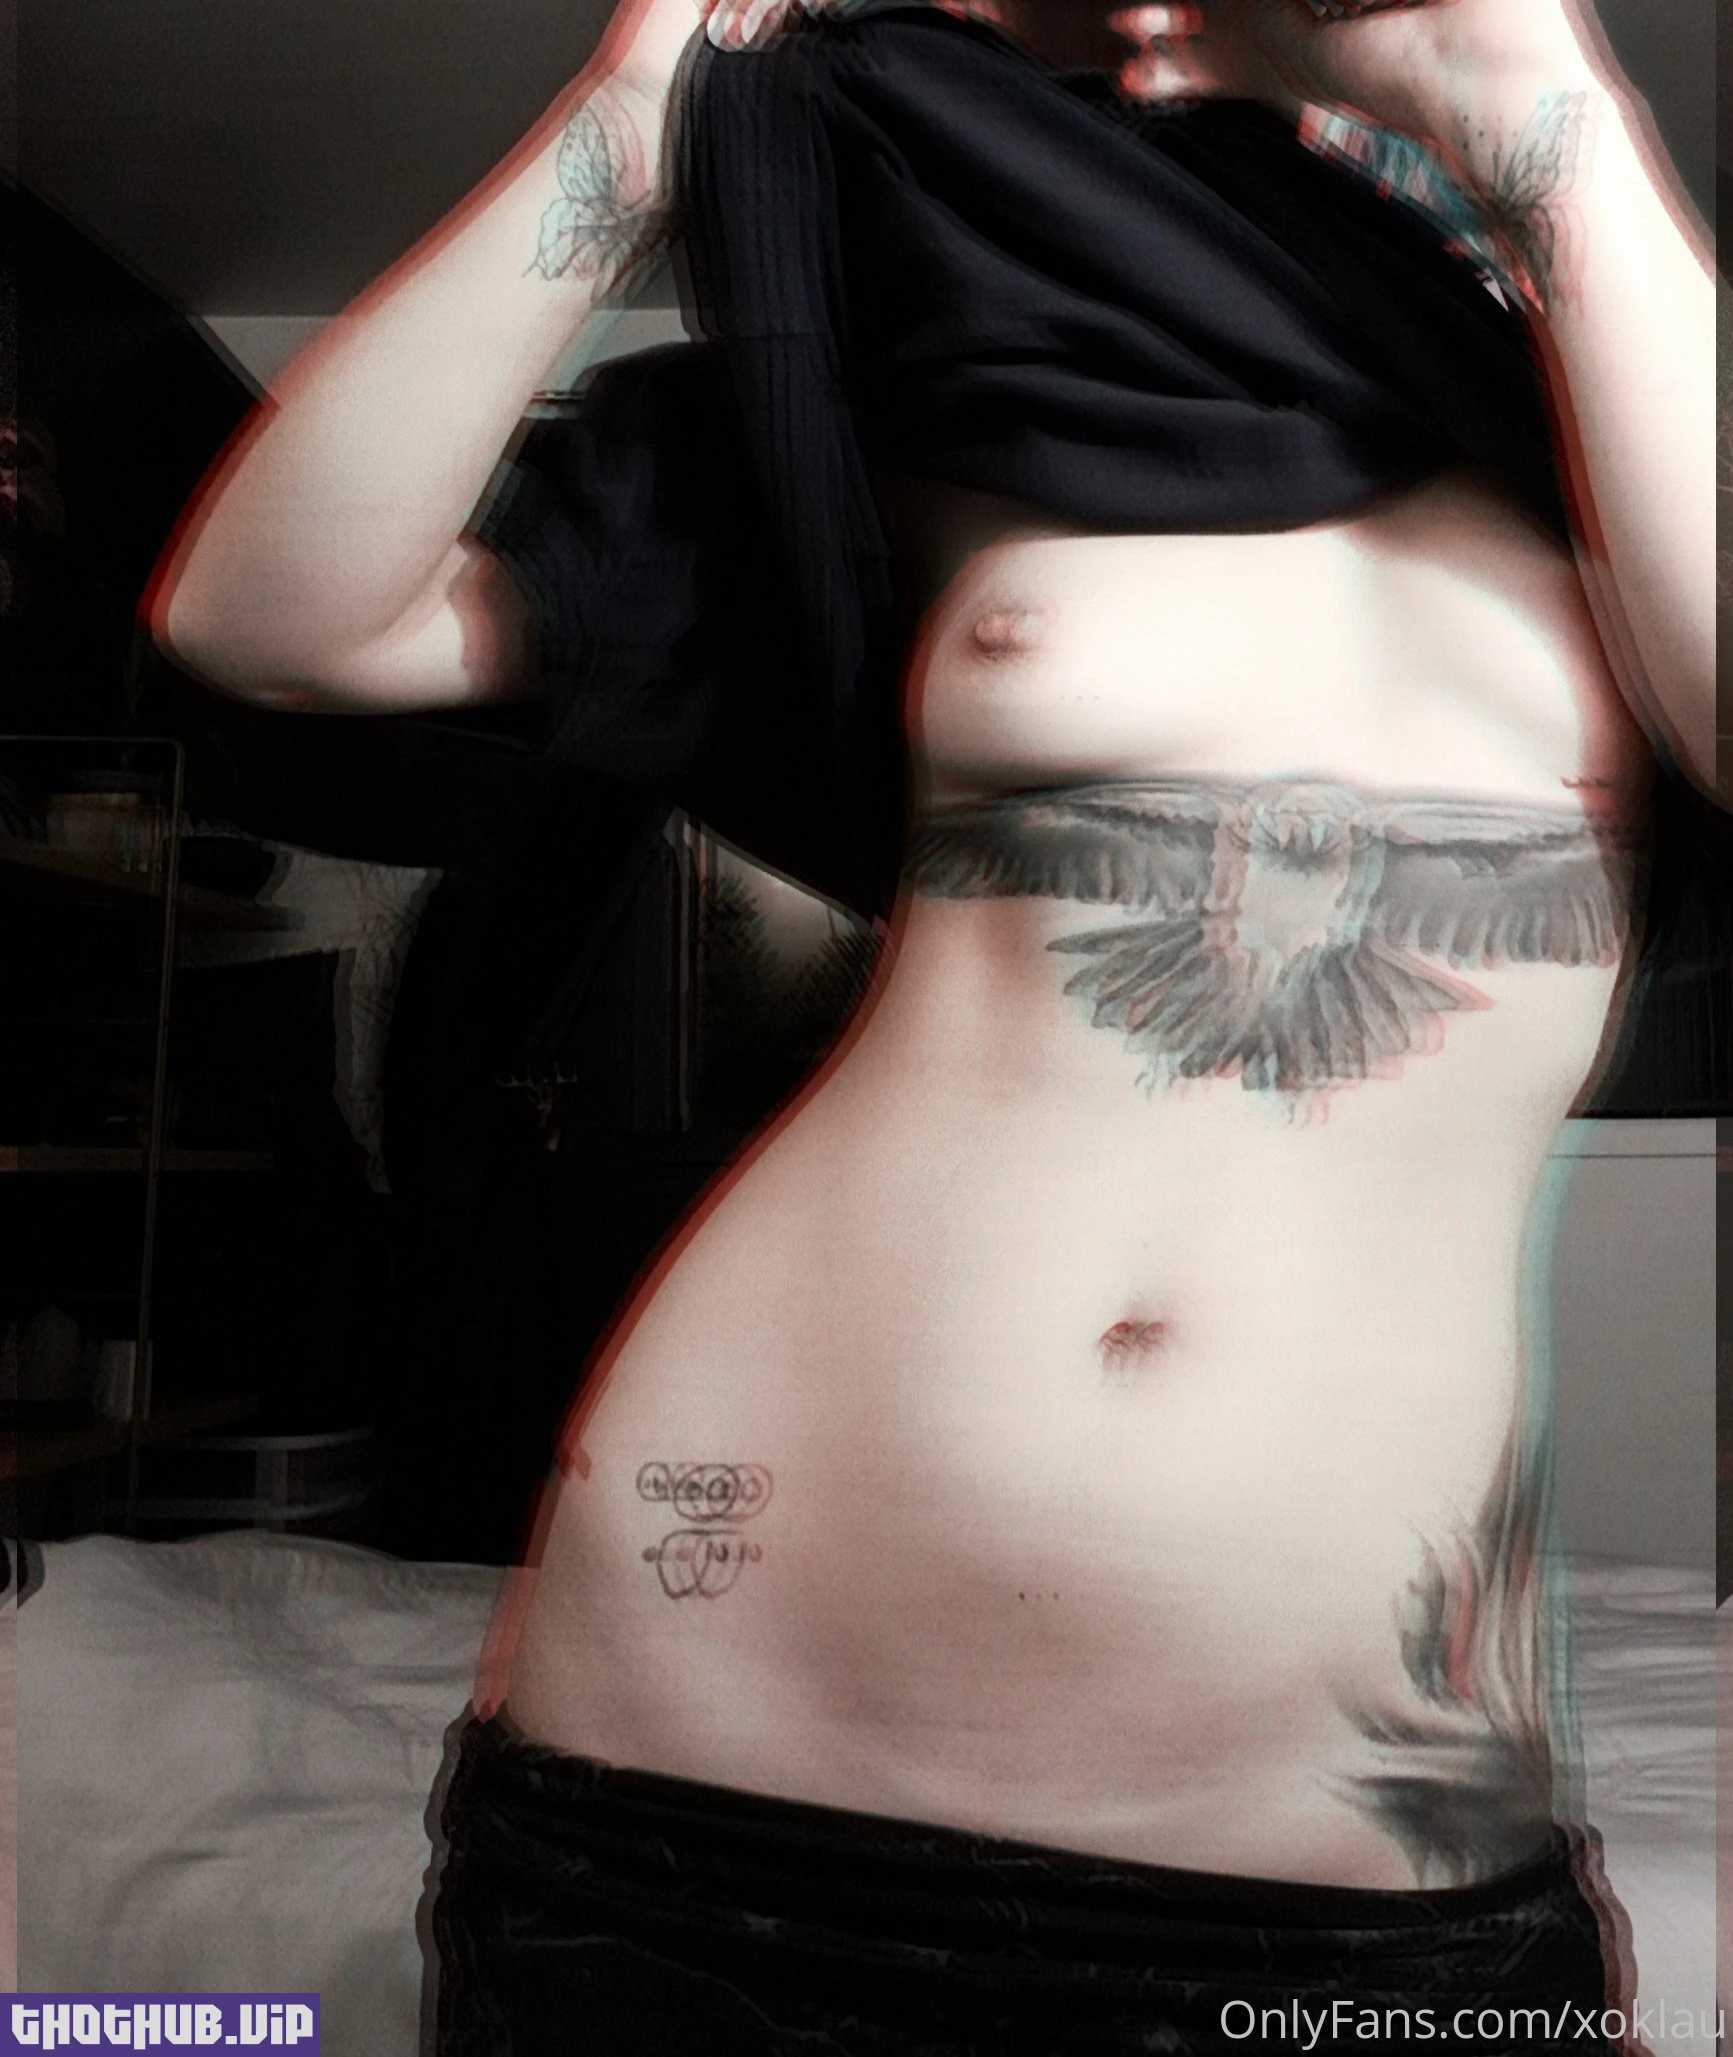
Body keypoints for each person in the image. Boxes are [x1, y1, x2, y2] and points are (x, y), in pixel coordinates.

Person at [153, 0, 1715, 2046]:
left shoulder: (1630, 433)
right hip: (692, 1799)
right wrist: (626, 125)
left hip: (1340, 1902)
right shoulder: (909, 410)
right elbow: (269, 622)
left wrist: (1556, 133)